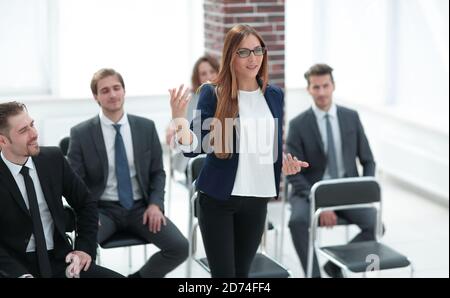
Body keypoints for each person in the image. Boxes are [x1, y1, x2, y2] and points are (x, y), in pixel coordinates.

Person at [168, 24, 308, 278]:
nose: (253, 58)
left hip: (257, 199)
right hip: (218, 200)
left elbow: (269, 144)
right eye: (244, 52)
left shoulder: (274, 94)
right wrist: (179, 121)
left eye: (257, 50)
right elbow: (194, 147)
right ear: (230, 55)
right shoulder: (213, 92)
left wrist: (285, 163)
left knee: (242, 275)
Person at [68, 68, 189, 278]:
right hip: (102, 210)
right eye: (105, 90)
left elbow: (157, 173)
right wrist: (86, 213)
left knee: (180, 247)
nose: (112, 94)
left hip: (140, 209)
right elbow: (74, 183)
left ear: (124, 91)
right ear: (96, 96)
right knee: (83, 253)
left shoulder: (145, 127)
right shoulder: (81, 133)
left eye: (116, 88)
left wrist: (155, 204)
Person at [0, 101, 122, 278]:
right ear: (2, 140)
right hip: (14, 267)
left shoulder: (53, 159)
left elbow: (85, 202)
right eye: (23, 130)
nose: (34, 134)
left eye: (32, 125)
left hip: (61, 259)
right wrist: (19, 275)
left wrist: (83, 249)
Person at [286, 63, 377, 278]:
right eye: (316, 87)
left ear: (333, 86)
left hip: (346, 189)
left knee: (375, 223)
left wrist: (364, 191)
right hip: (310, 190)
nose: (321, 92)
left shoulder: (351, 117)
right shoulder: (298, 125)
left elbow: (368, 160)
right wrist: (319, 202)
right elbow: (293, 173)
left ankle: (334, 267)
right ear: (308, 89)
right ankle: (315, 275)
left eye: (325, 86)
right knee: (296, 222)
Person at [165, 55, 219, 174]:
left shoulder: (225, 96)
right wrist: (171, 130)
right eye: (203, 74)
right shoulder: (189, 97)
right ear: (197, 77)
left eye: (212, 72)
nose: (209, 76)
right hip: (192, 154)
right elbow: (175, 122)